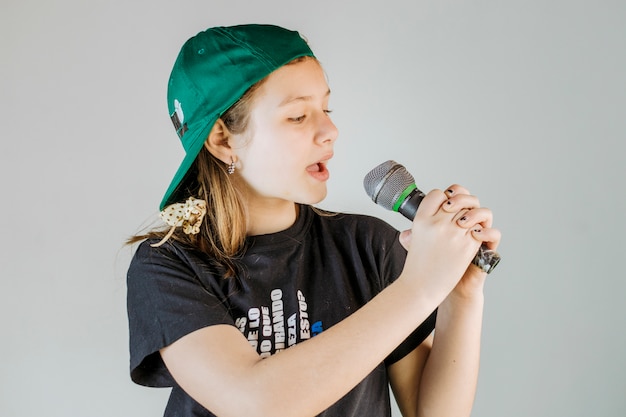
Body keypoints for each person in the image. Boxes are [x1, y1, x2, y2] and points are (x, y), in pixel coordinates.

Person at [126, 24, 501, 417]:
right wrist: (421, 286)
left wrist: (460, 293)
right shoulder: (167, 266)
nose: (330, 131)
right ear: (222, 139)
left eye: (326, 109)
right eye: (298, 116)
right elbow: (254, 403)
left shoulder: (365, 245)